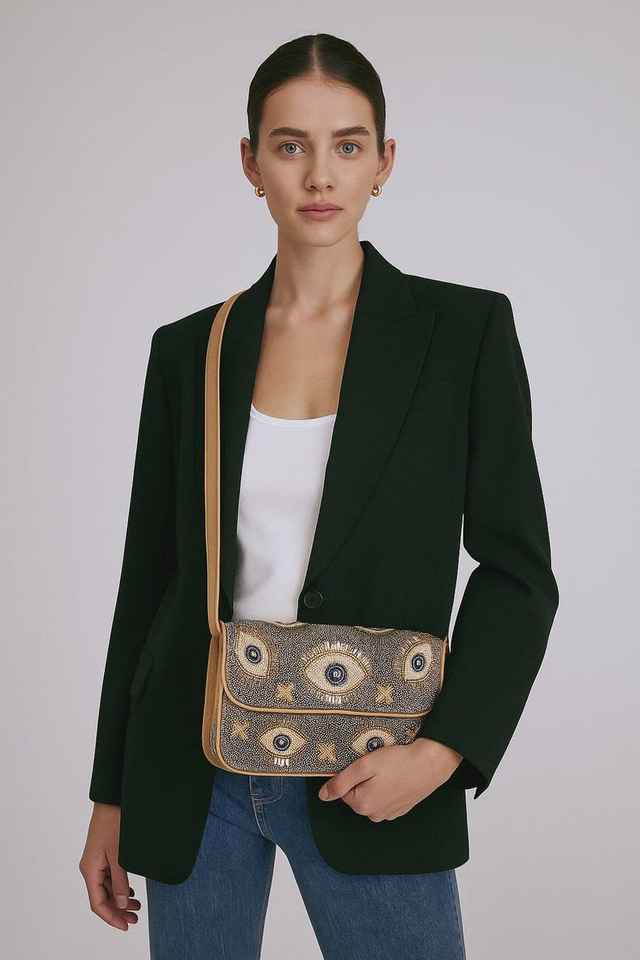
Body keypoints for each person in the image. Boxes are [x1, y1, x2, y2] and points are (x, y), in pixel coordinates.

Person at [79, 32, 559, 960]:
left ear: (385, 162)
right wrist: (111, 794)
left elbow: (518, 572)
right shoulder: (190, 350)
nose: (319, 175)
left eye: (347, 144)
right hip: (197, 769)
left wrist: (442, 753)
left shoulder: (462, 333)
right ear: (251, 163)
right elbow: (150, 584)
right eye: (290, 145)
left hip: (374, 767)